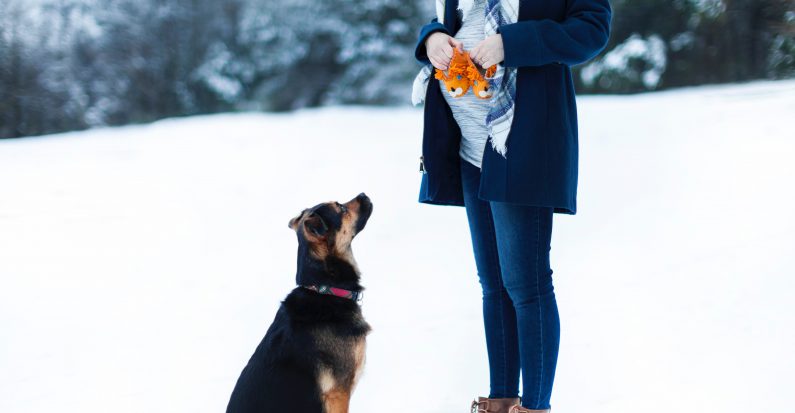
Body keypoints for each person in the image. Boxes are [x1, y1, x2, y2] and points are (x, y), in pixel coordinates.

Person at [413, 0, 612, 412]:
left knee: (526, 286)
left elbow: (591, 30)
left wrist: (511, 43)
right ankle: (501, 401)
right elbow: (456, 21)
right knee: (494, 286)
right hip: (468, 142)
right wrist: (431, 37)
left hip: (521, 138)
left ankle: (535, 406)